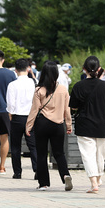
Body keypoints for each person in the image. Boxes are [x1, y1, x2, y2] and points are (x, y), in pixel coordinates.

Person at [70, 56, 105, 193]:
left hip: (84, 125)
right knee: (100, 154)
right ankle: (99, 177)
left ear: (84, 69)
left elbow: (74, 107)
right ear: (100, 69)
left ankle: (94, 182)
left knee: (88, 155)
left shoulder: (78, 86)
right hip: (101, 123)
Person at [26, 61, 73, 191]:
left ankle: (44, 183)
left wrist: (28, 126)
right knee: (59, 153)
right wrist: (69, 125)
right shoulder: (63, 89)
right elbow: (66, 110)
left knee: (41, 154)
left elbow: (34, 110)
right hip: (58, 125)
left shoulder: (39, 90)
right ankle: (65, 176)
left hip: (42, 124)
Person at [6, 58, 38, 179]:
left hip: (17, 117)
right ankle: (37, 170)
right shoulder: (34, 82)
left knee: (15, 146)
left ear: (16, 70)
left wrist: (11, 113)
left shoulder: (12, 85)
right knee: (33, 145)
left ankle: (17, 172)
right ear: (28, 69)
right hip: (31, 117)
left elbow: (10, 103)